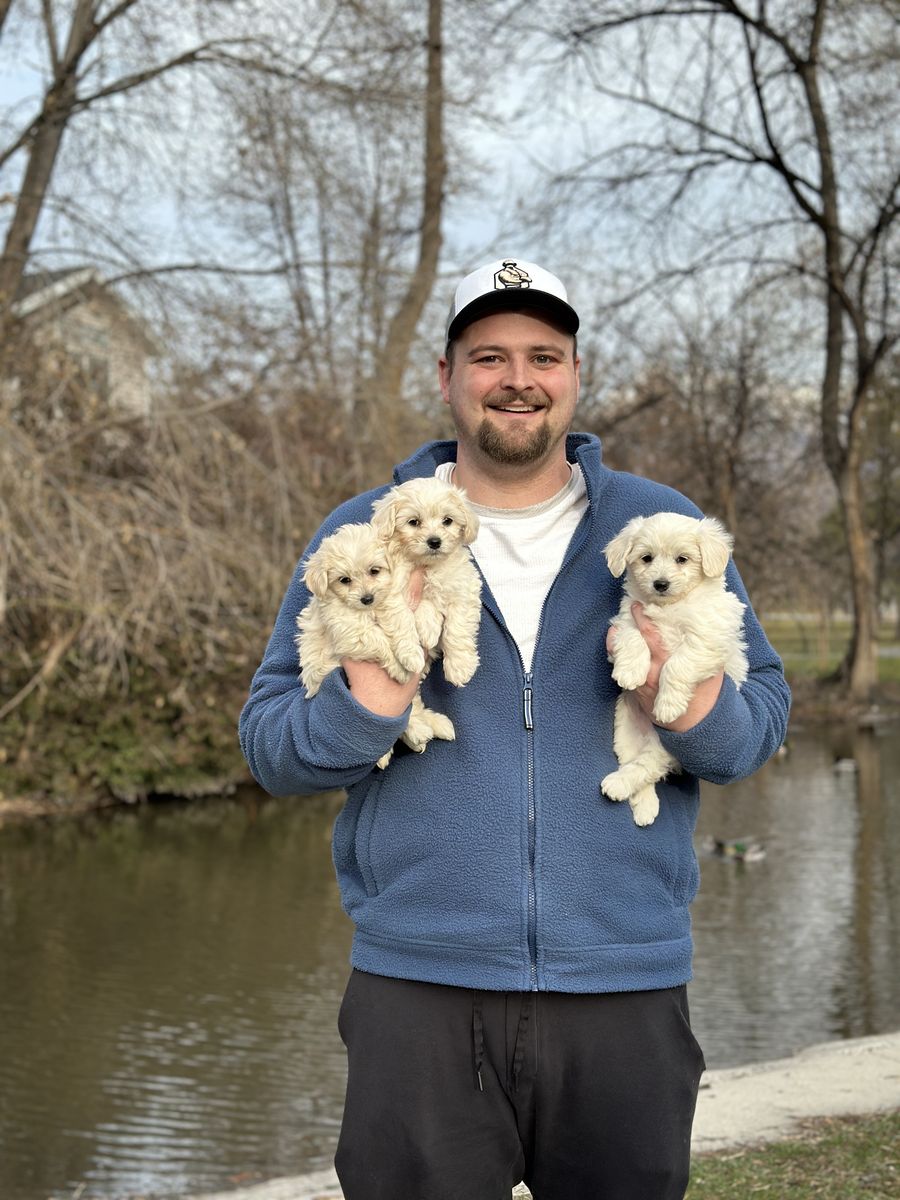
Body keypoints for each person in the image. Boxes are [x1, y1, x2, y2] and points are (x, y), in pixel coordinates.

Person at [239, 257, 791, 1200]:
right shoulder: (365, 537)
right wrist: (364, 702)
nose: (518, 379)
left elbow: (757, 727)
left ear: (575, 374)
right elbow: (269, 746)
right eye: (488, 356)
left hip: (625, 981)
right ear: (447, 377)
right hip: (418, 986)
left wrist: (683, 697)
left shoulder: (661, 527)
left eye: (545, 354)